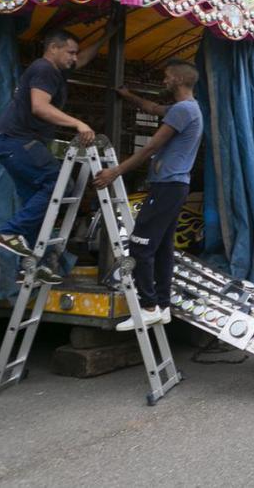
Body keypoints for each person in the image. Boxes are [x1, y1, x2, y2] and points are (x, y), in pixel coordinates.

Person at [93, 60, 203, 331]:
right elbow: (153, 108)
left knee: (141, 245)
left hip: (167, 187)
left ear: (177, 79)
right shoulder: (186, 109)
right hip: (174, 187)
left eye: (166, 76)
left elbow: (150, 146)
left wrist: (115, 171)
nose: (163, 80)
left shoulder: (183, 110)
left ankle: (149, 306)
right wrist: (128, 95)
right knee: (163, 247)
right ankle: (163, 306)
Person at [0, 29, 101, 283]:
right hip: (20, 143)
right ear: (53, 48)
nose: (74, 58)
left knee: (36, 205)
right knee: (58, 185)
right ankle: (9, 232)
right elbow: (39, 107)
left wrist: (107, 34)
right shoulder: (45, 69)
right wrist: (78, 123)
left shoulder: (57, 70)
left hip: (11, 145)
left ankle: (30, 265)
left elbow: (82, 59)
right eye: (70, 52)